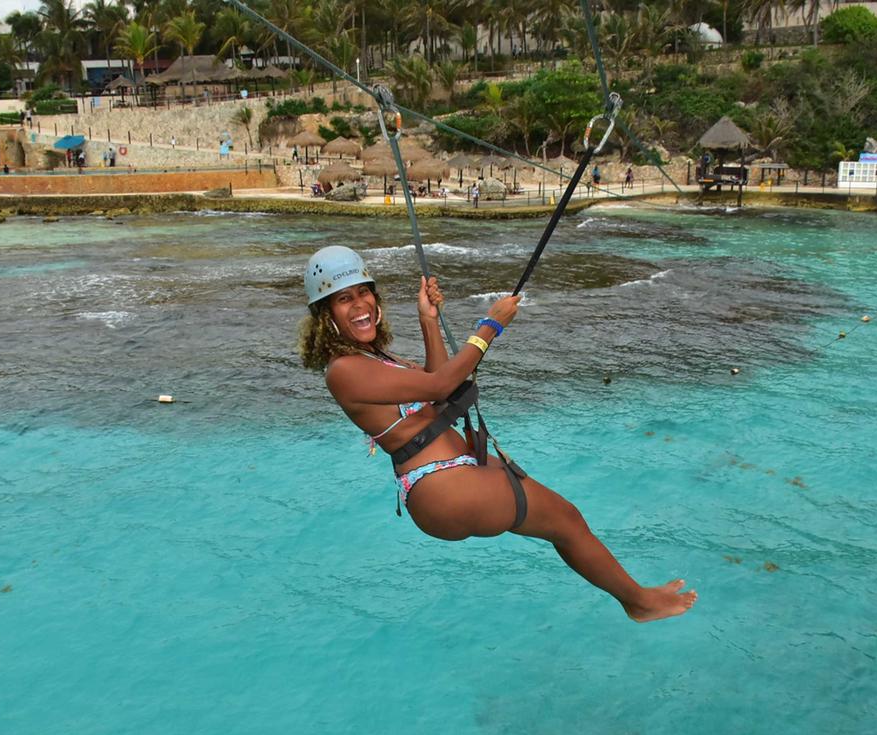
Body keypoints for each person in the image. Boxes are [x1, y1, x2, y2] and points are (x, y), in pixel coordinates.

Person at [297, 246, 699, 622]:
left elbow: (441, 386)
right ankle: (639, 602)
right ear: (325, 314)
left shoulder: (376, 359)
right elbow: (440, 388)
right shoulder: (345, 370)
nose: (361, 304)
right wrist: (490, 326)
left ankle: (636, 599)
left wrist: (428, 321)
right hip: (441, 485)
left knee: (568, 519)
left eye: (364, 292)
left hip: (453, 472)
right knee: (565, 523)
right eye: (344, 298)